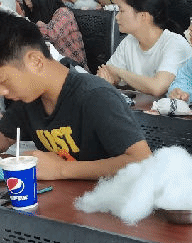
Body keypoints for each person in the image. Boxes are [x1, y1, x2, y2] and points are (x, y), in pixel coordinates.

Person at [0, 11, 151, 180]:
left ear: (35, 61)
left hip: (109, 193)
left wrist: (61, 169)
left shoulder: (95, 96)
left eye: (3, 81)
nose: (2, 91)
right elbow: (4, 137)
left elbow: (143, 161)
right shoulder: (28, 98)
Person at [97, 0, 192, 97]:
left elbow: (157, 88)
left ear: (143, 16)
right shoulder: (129, 41)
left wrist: (118, 72)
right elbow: (109, 73)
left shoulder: (174, 43)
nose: (117, 17)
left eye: (122, 11)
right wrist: (109, 78)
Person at [19, 0, 87, 67]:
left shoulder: (63, 13)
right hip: (46, 66)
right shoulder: (32, 13)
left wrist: (30, 25)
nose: (27, 2)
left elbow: (52, 35)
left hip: (72, 68)